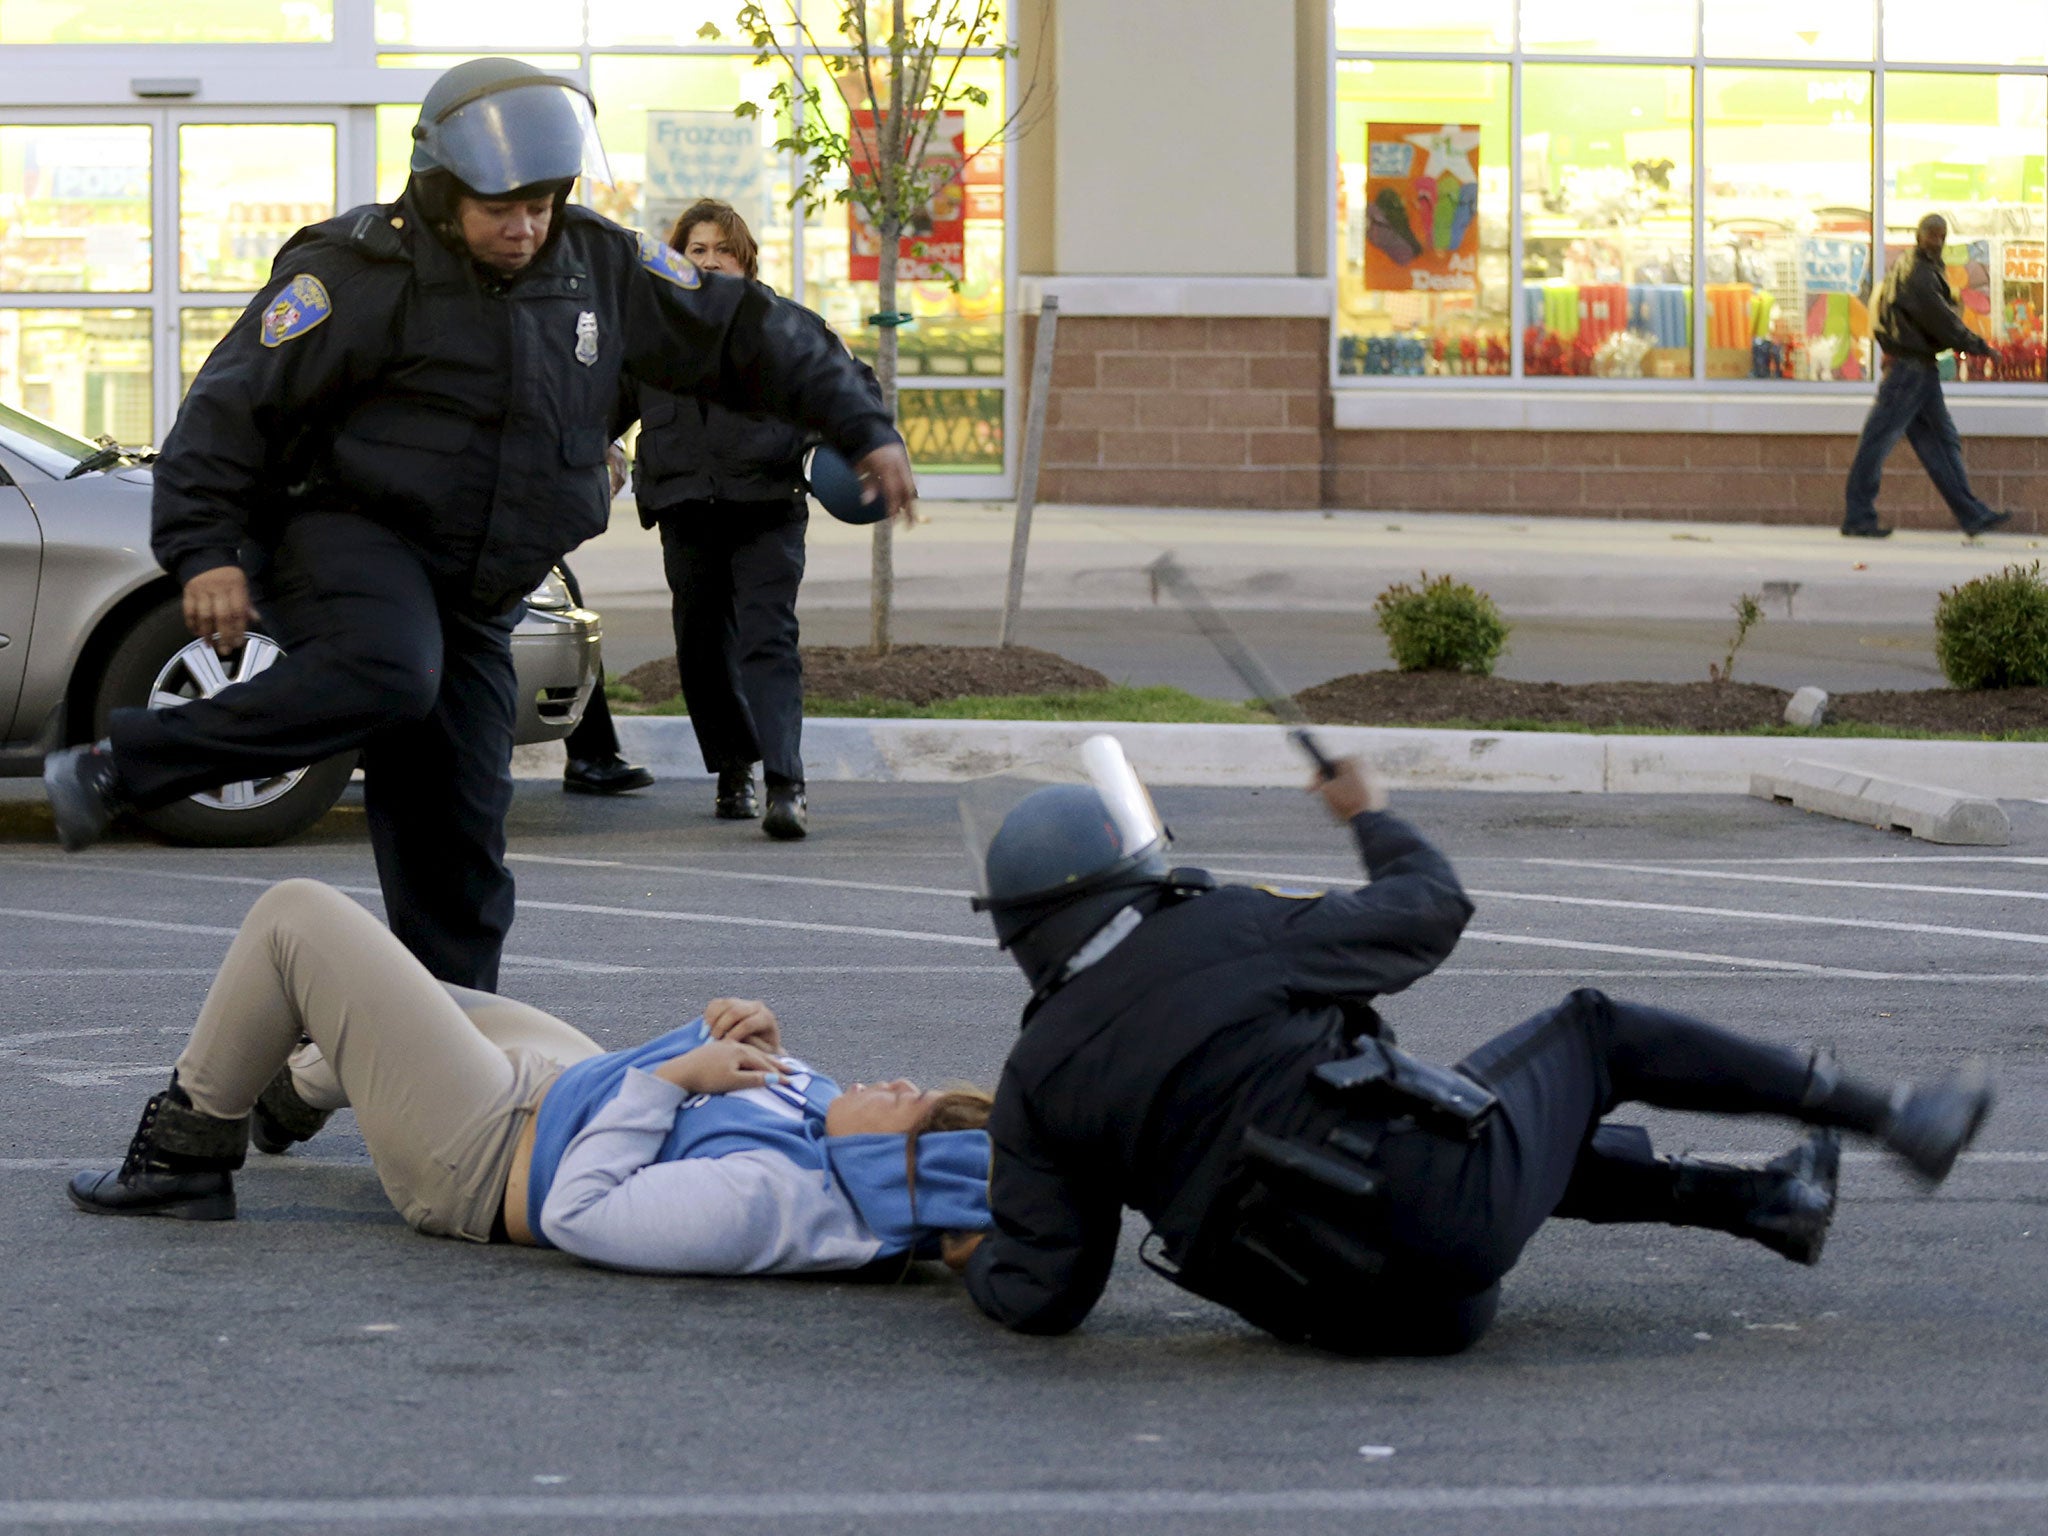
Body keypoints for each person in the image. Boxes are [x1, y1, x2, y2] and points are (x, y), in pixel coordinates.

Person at [42, 58, 915, 989]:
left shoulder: (598, 264)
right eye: (502, 208)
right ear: (442, 188)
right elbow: (228, 408)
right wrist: (203, 549)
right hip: (342, 534)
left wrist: (861, 424)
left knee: (460, 855)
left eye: (541, 204)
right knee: (387, 668)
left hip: (479, 589)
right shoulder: (356, 273)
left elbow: (749, 330)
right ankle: (118, 768)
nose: (525, 227)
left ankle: (416, 1055)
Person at [955, 739, 1995, 1355]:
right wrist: (1373, 818)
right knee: (1589, 1032)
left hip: (1351, 1320)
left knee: (1448, 1109)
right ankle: (1895, 1117)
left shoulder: (1034, 1080)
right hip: (1450, 1250)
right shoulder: (1224, 928)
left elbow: (1045, 1294)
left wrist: (963, 1256)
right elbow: (1428, 911)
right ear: (1120, 870)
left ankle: (1762, 1201)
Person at [67, 879, 992, 1279]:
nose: (906, 1081)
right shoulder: (835, 1144)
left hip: (485, 1152)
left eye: (915, 1109)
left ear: (888, 1172)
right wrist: (759, 1047)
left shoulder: (767, 1202)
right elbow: (741, 1103)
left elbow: (579, 1213)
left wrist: (675, 1079)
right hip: (560, 1088)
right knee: (410, 991)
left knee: (296, 919)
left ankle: (182, 1156)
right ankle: (298, 1086)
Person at [631, 199, 845, 841]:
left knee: (767, 638)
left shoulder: (782, 324)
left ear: (745, 258)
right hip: (684, 504)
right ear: (679, 260)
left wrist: (847, 445)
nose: (711, 260)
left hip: (765, 505)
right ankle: (733, 769)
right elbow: (600, 401)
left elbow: (849, 385)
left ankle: (786, 784)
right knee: (700, 646)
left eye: (723, 249)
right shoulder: (654, 334)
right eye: (697, 250)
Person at [1843, 213, 2009, 539]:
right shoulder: (1918, 273)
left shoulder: (1916, 267)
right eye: (1932, 235)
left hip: (1917, 369)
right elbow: (1941, 319)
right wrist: (1979, 346)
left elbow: (1938, 315)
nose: (1937, 241)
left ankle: (1971, 514)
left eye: (1941, 235)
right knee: (1880, 441)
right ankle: (1858, 516)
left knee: (1941, 443)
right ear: (1919, 236)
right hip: (1909, 369)